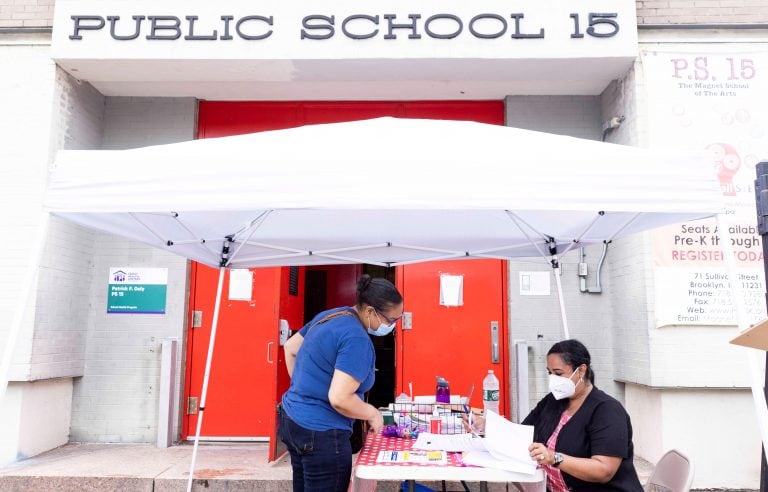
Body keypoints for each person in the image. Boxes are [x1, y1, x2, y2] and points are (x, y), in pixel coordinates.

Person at [279, 275, 404, 492]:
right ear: (370, 311)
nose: (392, 326)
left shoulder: (331, 315)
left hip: (293, 420)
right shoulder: (357, 339)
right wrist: (372, 414)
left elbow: (290, 347)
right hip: (322, 433)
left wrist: (303, 389)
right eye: (391, 320)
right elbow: (339, 398)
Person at [469, 339, 644, 491]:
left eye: (558, 373)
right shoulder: (553, 402)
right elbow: (522, 432)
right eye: (549, 373)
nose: (553, 379)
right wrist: (487, 426)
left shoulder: (607, 411)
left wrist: (554, 458)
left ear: (581, 371)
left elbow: (604, 470)